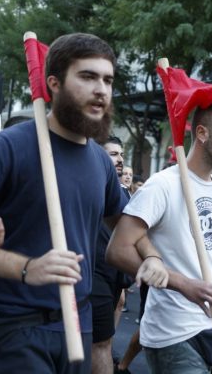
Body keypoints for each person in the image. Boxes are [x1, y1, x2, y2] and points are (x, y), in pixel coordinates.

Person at [0, 33, 126, 373]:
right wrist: (27, 267)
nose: (101, 90)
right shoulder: (8, 147)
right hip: (13, 328)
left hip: (77, 325)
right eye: (88, 76)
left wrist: (153, 259)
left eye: (107, 80)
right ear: (54, 83)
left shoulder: (100, 161)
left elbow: (126, 226)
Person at [106, 101, 212, 374]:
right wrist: (181, 283)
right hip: (170, 329)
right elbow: (118, 250)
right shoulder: (162, 184)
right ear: (201, 133)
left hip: (209, 323)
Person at [90, 136, 134, 374]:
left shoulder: (123, 193)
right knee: (99, 343)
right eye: (113, 154)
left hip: (115, 273)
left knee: (102, 341)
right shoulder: (91, 186)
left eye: (121, 155)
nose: (119, 160)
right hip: (93, 272)